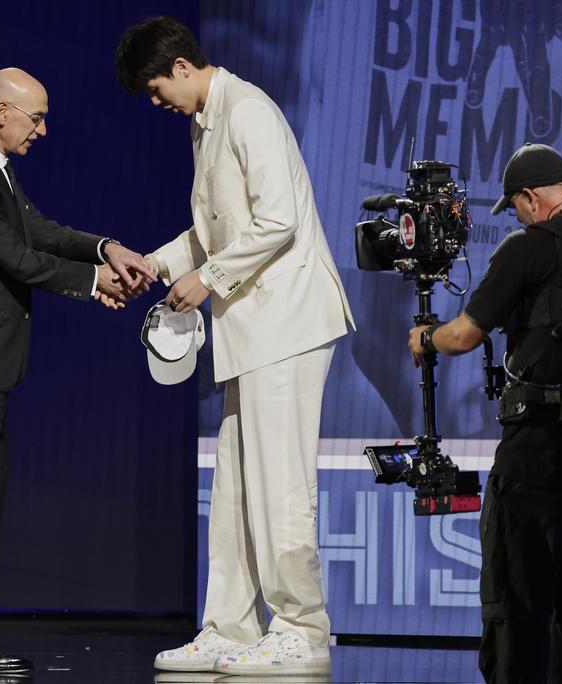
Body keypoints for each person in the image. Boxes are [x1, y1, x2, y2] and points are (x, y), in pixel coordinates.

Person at [114, 17, 354, 676]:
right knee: (235, 489)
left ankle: (302, 630)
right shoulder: (207, 122)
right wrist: (153, 266)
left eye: (156, 88)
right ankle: (229, 627)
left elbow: (278, 220)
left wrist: (208, 278)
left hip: (289, 321)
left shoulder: (248, 111)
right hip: (253, 326)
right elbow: (213, 231)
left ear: (181, 67)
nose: (157, 102)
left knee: (280, 482)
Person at [0, 67, 154, 674]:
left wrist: (105, 248)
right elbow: (17, 258)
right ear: (2, 111)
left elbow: (40, 231)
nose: (43, 130)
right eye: (36, 117)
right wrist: (94, 282)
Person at [408, 143, 562, 683]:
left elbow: (464, 335)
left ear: (531, 197)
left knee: (516, 603)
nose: (516, 217)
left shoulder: (527, 248)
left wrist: (426, 337)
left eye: (515, 206)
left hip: (537, 452)